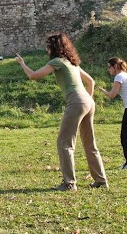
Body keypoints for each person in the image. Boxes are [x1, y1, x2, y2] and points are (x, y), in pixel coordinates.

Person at [15, 33, 108, 191]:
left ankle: (69, 183)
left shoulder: (57, 61)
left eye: (48, 45)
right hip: (88, 101)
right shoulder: (73, 63)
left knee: (64, 143)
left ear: (54, 47)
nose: (47, 48)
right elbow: (91, 81)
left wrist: (22, 63)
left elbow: (33, 76)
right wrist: (87, 100)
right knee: (89, 143)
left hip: (77, 101)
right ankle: (101, 180)